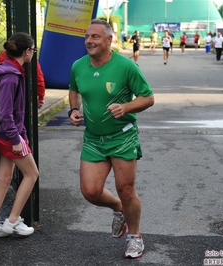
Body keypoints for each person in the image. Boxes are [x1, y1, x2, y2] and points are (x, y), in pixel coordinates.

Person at [68, 19, 154, 259]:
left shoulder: (126, 67)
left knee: (125, 189)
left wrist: (126, 107)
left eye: (95, 37)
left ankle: (135, 237)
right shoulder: (78, 66)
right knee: (90, 191)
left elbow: (148, 98)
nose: (89, 41)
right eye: (87, 36)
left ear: (109, 40)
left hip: (122, 136)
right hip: (94, 138)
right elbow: (73, 89)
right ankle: (119, 209)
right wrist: (73, 110)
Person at [0, 32, 39, 239]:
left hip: (5, 134)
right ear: (27, 51)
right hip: (7, 136)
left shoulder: (7, 71)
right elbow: (5, 113)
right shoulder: (11, 76)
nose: (34, 53)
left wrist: (21, 134)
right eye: (33, 49)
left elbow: (15, 111)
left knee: (4, 179)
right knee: (32, 174)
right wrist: (16, 139)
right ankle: (12, 221)